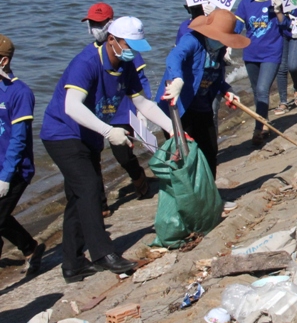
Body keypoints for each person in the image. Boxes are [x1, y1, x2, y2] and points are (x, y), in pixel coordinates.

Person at [40, 17, 173, 282]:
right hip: (62, 133)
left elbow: (142, 103)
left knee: (79, 196)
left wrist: (173, 128)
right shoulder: (86, 62)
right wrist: (109, 131)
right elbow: (72, 106)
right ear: (111, 39)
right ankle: (103, 254)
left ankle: (73, 264)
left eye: (137, 46)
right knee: (90, 187)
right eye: (128, 44)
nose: (132, 51)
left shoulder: (126, 65)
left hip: (89, 134)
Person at [158, 9, 247, 178]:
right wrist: (177, 79)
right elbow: (173, 57)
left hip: (203, 105)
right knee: (186, 156)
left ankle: (210, 198)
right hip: (181, 106)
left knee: (210, 151)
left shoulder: (219, 50)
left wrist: (227, 90)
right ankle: (189, 201)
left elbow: (215, 77)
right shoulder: (192, 41)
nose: (225, 42)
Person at [81, 3, 151, 209]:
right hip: (97, 111)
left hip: (121, 109)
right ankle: (100, 203)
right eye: (92, 23)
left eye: (100, 23)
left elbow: (140, 80)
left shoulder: (126, 48)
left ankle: (137, 175)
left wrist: (143, 109)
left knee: (123, 153)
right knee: (92, 158)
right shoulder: (88, 55)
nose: (95, 27)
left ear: (110, 24)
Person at [0, 35, 44, 276]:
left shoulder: (20, 93)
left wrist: (5, 177)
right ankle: (29, 247)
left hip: (15, 169)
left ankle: (30, 248)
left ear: (3, 61)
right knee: (2, 218)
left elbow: (19, 140)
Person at [235, 0, 289, 147]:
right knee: (256, 90)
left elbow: (287, 26)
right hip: (251, 54)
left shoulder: (277, 0)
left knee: (262, 89)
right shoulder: (246, 3)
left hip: (271, 53)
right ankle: (264, 120)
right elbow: (237, 28)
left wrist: (279, 9)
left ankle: (259, 129)